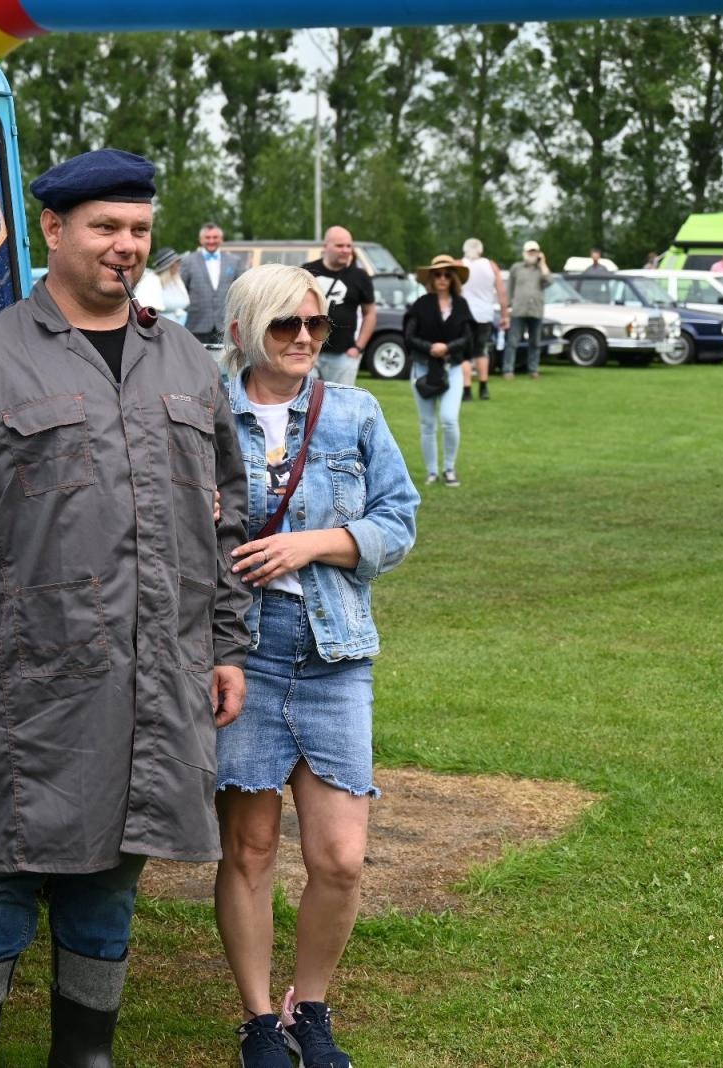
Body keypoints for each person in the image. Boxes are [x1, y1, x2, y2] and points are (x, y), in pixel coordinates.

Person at [0, 147, 251, 1068]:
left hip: (156, 669)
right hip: (28, 676)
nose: (125, 247)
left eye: (139, 230)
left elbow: (227, 510)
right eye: (105, 228)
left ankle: (82, 1055)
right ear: (53, 230)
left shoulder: (182, 358)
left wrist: (226, 645)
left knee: (116, 866)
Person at [212, 263, 418, 1068]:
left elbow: (398, 520)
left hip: (334, 652)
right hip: (243, 655)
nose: (303, 339)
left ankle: (313, 1007)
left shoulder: (355, 412)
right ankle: (260, 1019)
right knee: (251, 851)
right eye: (284, 327)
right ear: (242, 334)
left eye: (315, 326)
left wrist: (318, 543)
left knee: (340, 858)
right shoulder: (202, 417)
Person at [406, 254, 475, 486]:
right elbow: (409, 336)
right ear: (431, 278)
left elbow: (468, 337)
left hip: (451, 368)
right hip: (422, 369)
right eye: (438, 275)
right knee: (427, 423)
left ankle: (449, 468)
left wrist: (447, 348)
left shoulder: (461, 304)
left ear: (453, 278)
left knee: (448, 419)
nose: (442, 279)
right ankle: (432, 471)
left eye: (447, 274)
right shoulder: (421, 304)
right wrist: (430, 348)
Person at [302, 226, 376, 385]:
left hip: (344, 355)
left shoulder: (360, 276)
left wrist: (358, 348)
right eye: (340, 246)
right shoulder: (307, 271)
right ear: (326, 246)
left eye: (349, 246)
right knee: (306, 403)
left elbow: (370, 313)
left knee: (340, 406)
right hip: (308, 350)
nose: (346, 250)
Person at [460, 237, 509, 401]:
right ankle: (483, 387)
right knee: (481, 351)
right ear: (481, 250)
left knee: (465, 355)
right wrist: (505, 315)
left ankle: (466, 390)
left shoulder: (460, 265)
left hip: (464, 315)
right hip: (484, 314)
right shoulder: (491, 266)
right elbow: (502, 292)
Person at [183, 223, 244, 344]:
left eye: (215, 237)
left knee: (224, 361)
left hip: (225, 324)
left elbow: (242, 289)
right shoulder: (188, 261)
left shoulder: (234, 261)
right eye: (208, 237)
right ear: (201, 240)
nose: (211, 241)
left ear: (221, 239)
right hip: (196, 324)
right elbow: (181, 290)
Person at [504, 240, 550, 379]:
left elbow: (549, 281)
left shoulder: (541, 270)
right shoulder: (516, 268)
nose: (532, 254)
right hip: (519, 309)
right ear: (524, 253)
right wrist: (507, 307)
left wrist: (543, 263)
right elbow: (510, 288)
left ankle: (533, 369)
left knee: (535, 342)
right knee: (513, 341)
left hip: (535, 310)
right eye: (530, 251)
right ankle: (508, 370)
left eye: (535, 252)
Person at [139, 245, 190, 326]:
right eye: (176, 262)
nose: (179, 265)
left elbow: (184, 303)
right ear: (169, 265)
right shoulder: (152, 281)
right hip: (161, 327)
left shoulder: (176, 280)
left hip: (178, 325)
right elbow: (149, 311)